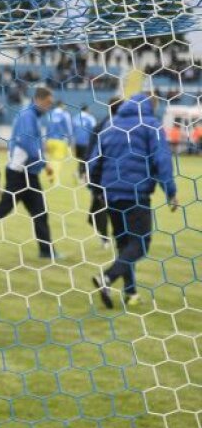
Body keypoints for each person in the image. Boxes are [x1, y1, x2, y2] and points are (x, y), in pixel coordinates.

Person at [89, 92, 178, 309]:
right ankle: (107, 277)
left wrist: (96, 189)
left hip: (111, 195)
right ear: (151, 106)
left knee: (124, 245)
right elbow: (161, 158)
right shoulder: (150, 125)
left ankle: (131, 293)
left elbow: (94, 160)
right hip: (135, 195)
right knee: (140, 245)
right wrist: (170, 191)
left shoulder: (111, 124)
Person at [0, 86, 57, 261]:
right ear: (38, 99)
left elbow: (32, 143)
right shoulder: (28, 116)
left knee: (40, 212)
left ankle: (46, 250)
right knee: (3, 210)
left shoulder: (31, 115)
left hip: (29, 173)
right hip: (19, 173)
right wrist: (44, 162)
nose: (49, 106)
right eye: (47, 102)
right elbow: (27, 143)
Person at [84, 97, 122, 246]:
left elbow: (91, 150)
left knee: (100, 209)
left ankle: (108, 239)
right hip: (114, 174)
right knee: (102, 209)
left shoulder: (102, 125)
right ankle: (111, 238)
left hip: (102, 175)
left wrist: (86, 169)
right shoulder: (118, 125)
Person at [43, 100, 72, 185]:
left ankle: (49, 176)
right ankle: (54, 179)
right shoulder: (65, 114)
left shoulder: (50, 114)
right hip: (60, 140)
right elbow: (69, 128)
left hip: (50, 140)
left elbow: (47, 127)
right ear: (62, 105)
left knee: (51, 159)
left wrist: (45, 141)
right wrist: (70, 140)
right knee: (57, 160)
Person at [73, 105, 98, 181]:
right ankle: (83, 175)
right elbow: (95, 129)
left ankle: (79, 173)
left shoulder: (75, 118)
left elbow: (72, 129)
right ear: (87, 110)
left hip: (77, 142)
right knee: (87, 159)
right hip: (87, 142)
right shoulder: (90, 118)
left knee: (81, 159)